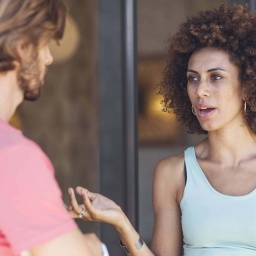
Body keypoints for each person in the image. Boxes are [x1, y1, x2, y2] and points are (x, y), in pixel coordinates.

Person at [67, 3, 256, 256]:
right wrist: (121, 222)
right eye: (193, 78)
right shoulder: (174, 173)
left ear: (247, 85)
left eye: (216, 77)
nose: (201, 90)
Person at [0, 0, 103, 255]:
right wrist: (93, 246)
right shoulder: (14, 157)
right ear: (22, 47)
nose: (48, 58)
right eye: (45, 44)